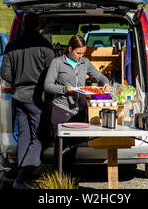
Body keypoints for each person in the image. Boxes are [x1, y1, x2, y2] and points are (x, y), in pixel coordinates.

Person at [0, 12, 55, 189]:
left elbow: (5, 74)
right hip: (38, 98)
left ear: (23, 25)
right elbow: (51, 76)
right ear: (39, 26)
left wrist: (18, 81)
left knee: (24, 135)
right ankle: (24, 176)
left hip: (19, 97)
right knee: (39, 137)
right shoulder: (45, 46)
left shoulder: (11, 46)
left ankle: (20, 171)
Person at [44, 34, 112, 172]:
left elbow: (98, 76)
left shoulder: (85, 62)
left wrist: (106, 83)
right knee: (61, 147)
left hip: (78, 110)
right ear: (70, 49)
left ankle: (70, 179)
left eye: (83, 53)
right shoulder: (57, 63)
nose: (81, 56)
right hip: (61, 109)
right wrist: (64, 89)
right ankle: (58, 178)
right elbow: (48, 85)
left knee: (73, 146)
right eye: (78, 53)